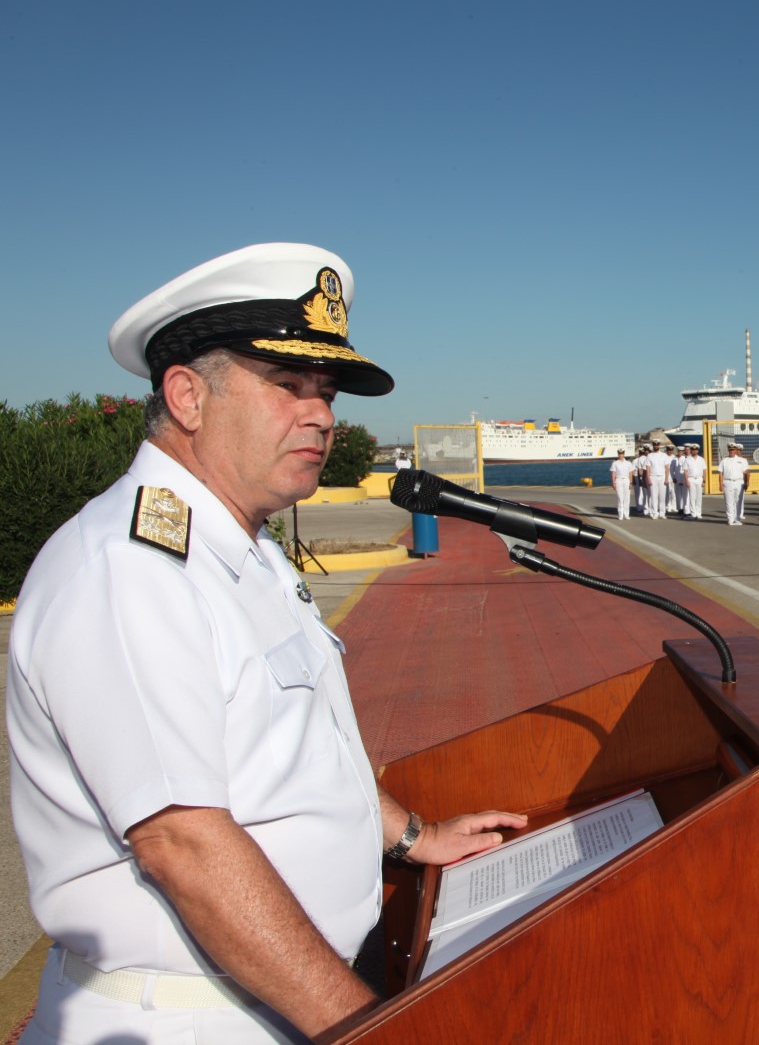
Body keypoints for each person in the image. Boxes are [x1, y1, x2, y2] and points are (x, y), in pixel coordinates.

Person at [7, 244, 525, 1044]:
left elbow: (289, 751)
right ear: (187, 396)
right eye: (288, 386)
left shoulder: (240, 549)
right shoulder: (130, 568)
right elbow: (183, 840)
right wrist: (364, 1027)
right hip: (196, 1016)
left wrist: (413, 836)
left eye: (325, 393)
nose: (322, 415)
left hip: (278, 996)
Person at [720, 442, 749, 524]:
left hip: (739, 482)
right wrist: (720, 484)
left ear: (736, 450)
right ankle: (730, 519)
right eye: (730, 450)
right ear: (728, 450)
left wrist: (747, 482)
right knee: (729, 501)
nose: (731, 451)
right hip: (728, 482)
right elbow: (721, 473)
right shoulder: (724, 461)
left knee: (738, 501)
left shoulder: (742, 460)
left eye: (733, 449)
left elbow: (746, 472)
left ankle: (737, 519)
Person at [610, 447, 635, 520]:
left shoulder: (628, 463)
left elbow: (630, 473)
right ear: (618, 454)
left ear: (624, 454)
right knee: (620, 498)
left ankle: (626, 514)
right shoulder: (615, 463)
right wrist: (613, 483)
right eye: (619, 454)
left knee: (627, 498)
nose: (621, 455)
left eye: (622, 454)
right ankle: (620, 514)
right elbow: (613, 473)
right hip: (618, 480)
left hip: (626, 480)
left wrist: (631, 482)